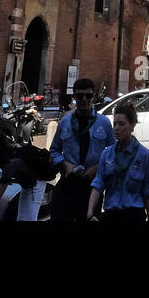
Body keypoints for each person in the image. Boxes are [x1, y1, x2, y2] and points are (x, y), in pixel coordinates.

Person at [49, 77, 114, 221]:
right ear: (74, 97)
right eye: (79, 95)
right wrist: (66, 165)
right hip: (68, 184)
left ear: (94, 96)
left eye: (88, 95)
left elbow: (113, 153)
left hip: (92, 187)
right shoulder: (65, 122)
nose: (84, 99)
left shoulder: (104, 123)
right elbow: (54, 150)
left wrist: (96, 168)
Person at [88, 101, 149, 221]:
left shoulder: (144, 155)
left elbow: (148, 191)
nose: (117, 128)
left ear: (132, 125)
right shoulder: (107, 154)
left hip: (134, 214)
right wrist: (90, 212)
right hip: (111, 213)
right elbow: (98, 184)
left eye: (121, 124)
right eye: (115, 124)